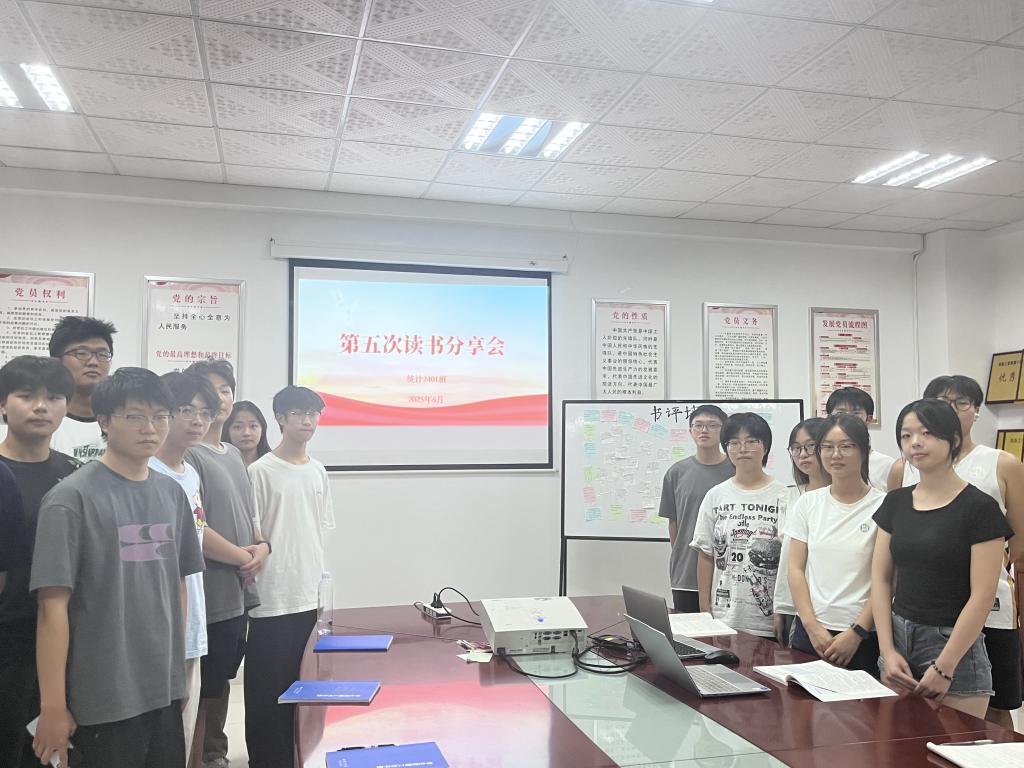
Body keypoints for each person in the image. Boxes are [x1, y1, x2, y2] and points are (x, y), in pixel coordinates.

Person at [31, 367, 205, 767]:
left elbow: (178, 586)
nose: (151, 428)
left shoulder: (171, 494)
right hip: (102, 697)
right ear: (105, 421)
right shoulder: (70, 499)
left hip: (162, 689)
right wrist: (53, 706)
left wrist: (177, 675)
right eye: (135, 416)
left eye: (160, 416)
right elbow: (51, 607)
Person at [887, 375, 1024, 726]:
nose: (949, 409)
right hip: (922, 611)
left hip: (990, 607)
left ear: (975, 410)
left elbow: (1019, 546)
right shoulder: (903, 470)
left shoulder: (1002, 463)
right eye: (939, 401)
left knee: (995, 707)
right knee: (913, 719)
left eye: (960, 402)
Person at [182, 360, 266, 768]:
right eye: (209, 390)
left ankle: (213, 752)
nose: (219, 399)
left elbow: (249, 517)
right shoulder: (189, 456)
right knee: (200, 687)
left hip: (237, 588)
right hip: (208, 590)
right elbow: (195, 528)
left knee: (221, 681)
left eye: (225, 390)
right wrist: (243, 556)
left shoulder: (232, 453)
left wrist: (261, 548)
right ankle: (199, 756)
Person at [245, 386, 334, 768]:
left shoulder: (318, 471)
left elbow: (319, 530)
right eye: (298, 413)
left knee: (307, 688)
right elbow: (253, 532)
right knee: (268, 694)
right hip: (272, 596)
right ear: (280, 419)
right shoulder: (259, 471)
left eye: (313, 413)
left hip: (308, 594)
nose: (307, 421)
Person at [0, 356, 81, 768]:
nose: (40, 407)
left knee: (53, 753)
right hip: (7, 636)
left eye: (53, 397)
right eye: (26, 395)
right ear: (2, 404)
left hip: (65, 636)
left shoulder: (77, 476)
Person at [149, 372, 225, 764]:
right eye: (186, 410)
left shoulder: (189, 472)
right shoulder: (148, 473)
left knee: (186, 727)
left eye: (205, 412)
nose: (197, 420)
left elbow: (196, 537)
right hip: (158, 627)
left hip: (191, 615)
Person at [787, 414, 883, 673]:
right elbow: (795, 569)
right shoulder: (808, 503)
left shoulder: (883, 505)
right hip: (810, 631)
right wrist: (812, 626)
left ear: (864, 450)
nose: (835, 455)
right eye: (827, 447)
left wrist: (857, 632)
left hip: (863, 635)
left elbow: (887, 579)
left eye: (846, 446)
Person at [690, 412, 787, 639]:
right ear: (726, 449)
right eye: (734, 443)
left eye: (751, 441)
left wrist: (783, 610)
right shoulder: (716, 495)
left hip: (768, 619)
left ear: (765, 447)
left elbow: (789, 562)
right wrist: (704, 609)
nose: (742, 449)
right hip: (724, 617)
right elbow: (706, 555)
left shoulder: (784, 496)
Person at [658, 405, 734, 613]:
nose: (704, 430)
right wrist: (681, 555)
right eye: (698, 425)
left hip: (728, 573)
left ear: (724, 431)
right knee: (689, 631)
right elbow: (673, 522)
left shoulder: (736, 470)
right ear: (690, 431)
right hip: (686, 574)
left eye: (712, 425)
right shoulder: (676, 473)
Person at [773, 417, 828, 645]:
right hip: (790, 607)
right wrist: (779, 607)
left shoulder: (841, 497)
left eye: (810, 446)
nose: (803, 455)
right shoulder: (789, 496)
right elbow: (786, 559)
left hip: (826, 609)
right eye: (796, 448)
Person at [48, 316, 118, 463]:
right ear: (57, 361)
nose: (93, 362)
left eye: (102, 355)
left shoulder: (122, 421)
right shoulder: (44, 421)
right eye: (82, 353)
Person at [825, 386, 893, 492]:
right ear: (829, 418)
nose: (847, 419)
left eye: (855, 413)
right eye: (840, 413)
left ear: (868, 419)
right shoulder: (826, 460)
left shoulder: (887, 465)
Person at [223, 401, 271, 467]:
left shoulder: (272, 464)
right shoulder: (218, 464)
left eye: (253, 426)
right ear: (226, 430)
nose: (246, 433)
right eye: (238, 427)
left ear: (262, 429)